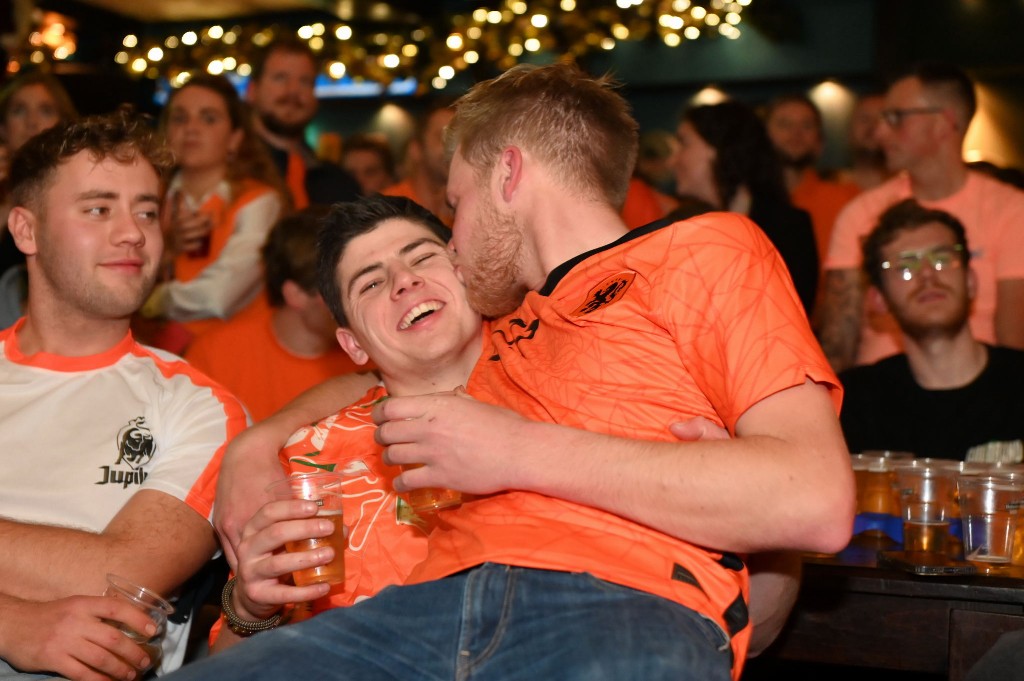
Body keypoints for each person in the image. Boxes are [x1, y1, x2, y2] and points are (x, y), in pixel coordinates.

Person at [169, 62, 853, 681]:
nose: (454, 243)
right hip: (427, 609)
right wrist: (259, 441)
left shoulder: (700, 248)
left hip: (616, 604)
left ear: (508, 175)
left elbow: (814, 501)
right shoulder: (504, 325)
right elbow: (387, 374)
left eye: (455, 205)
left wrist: (513, 450)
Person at [0, 109, 247, 679]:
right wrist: (11, 624)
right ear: (26, 229)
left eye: (147, 212)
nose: (133, 231)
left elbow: (120, 574)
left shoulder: (199, 405)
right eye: (98, 208)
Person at [210, 195, 480, 652]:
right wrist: (249, 609)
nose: (404, 281)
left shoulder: (565, 391)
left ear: (468, 272)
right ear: (353, 344)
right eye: (370, 284)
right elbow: (227, 663)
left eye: (422, 257)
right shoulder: (303, 466)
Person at [817, 62, 1024, 372]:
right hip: (881, 393)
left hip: (982, 393)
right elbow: (837, 346)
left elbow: (1014, 343)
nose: (880, 132)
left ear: (944, 123)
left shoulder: (1010, 210)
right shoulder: (862, 213)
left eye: (895, 118)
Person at [839, 199, 1024, 461]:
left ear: (971, 281)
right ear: (878, 298)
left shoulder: (1018, 383)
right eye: (905, 267)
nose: (927, 275)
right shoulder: (856, 402)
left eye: (942, 260)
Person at [140, 73, 286, 350]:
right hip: (153, 355)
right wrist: (166, 251)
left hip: (236, 358)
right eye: (180, 118)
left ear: (235, 138)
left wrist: (151, 300)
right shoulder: (147, 199)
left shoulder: (259, 201)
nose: (191, 128)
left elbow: (220, 295)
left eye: (208, 118)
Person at [185, 207, 365, 422]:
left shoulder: (373, 352)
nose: (358, 301)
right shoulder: (215, 354)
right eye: (339, 290)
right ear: (296, 295)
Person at [672, 99, 820, 315]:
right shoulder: (680, 225)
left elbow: (790, 316)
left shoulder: (787, 227)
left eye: (684, 143)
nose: (673, 160)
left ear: (716, 148)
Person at [0, 71, 78, 328]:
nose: (32, 122)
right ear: (3, 127)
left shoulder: (82, 187)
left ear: (62, 124)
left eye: (45, 110)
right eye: (19, 110)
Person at [246, 39, 361, 209]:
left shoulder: (339, 185)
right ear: (252, 91)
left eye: (305, 81)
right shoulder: (229, 172)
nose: (293, 90)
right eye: (280, 78)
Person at [764, 93, 860, 267]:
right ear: (763, 137)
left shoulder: (847, 199)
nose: (796, 133)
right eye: (784, 124)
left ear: (820, 142)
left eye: (807, 125)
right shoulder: (748, 202)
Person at [382, 100, 455, 225]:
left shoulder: (470, 209)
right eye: (443, 137)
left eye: (459, 139)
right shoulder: (389, 207)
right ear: (416, 149)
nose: (453, 148)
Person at [839, 92, 891, 192]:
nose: (873, 126)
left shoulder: (914, 190)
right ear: (849, 131)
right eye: (864, 119)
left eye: (883, 118)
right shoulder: (829, 189)